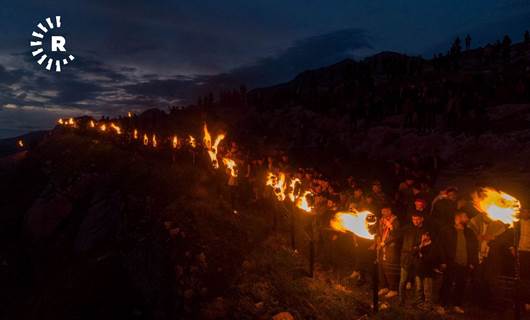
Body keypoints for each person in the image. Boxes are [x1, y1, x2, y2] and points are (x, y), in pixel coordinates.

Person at [438, 211, 478, 315]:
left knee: (461, 285)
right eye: (465, 217)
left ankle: (456, 305)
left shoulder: (469, 232)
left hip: (464, 264)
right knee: (447, 284)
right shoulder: (447, 231)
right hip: (451, 263)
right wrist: (443, 261)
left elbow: (474, 248)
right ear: (458, 218)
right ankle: (442, 305)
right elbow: (441, 247)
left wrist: (472, 262)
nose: (467, 219)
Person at [398, 211, 429, 305]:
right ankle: (401, 300)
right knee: (403, 281)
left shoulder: (425, 231)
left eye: (417, 219)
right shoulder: (407, 229)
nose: (415, 221)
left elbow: (425, 245)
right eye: (413, 219)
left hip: (418, 260)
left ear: (422, 219)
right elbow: (396, 235)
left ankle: (418, 301)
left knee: (418, 282)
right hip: (406, 258)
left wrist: (420, 247)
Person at [376, 206, 400, 299]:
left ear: (390, 211)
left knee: (389, 267)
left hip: (390, 248)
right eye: (382, 212)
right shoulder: (381, 220)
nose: (383, 214)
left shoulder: (395, 221)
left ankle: (393, 289)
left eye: (385, 211)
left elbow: (395, 234)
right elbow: (378, 232)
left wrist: (385, 242)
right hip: (381, 247)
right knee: (380, 266)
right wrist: (378, 240)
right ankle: (384, 286)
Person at [413, 231, 439, 310]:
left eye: (426, 236)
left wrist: (421, 256)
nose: (424, 237)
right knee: (418, 288)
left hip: (428, 271)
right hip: (418, 270)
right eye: (423, 235)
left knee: (427, 290)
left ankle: (428, 305)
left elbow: (431, 258)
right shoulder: (419, 245)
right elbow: (413, 253)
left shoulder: (433, 246)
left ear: (429, 237)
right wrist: (421, 245)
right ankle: (419, 304)